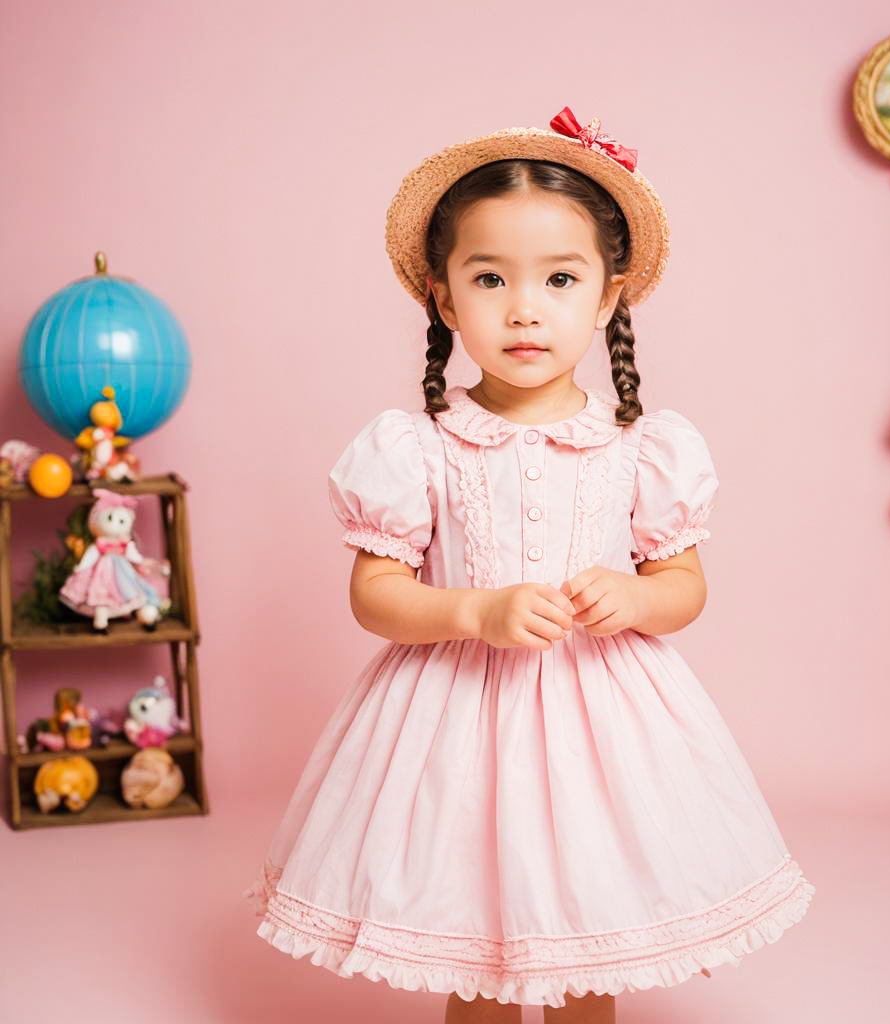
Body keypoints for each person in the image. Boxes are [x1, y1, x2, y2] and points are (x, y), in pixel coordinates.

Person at [243, 105, 815, 1023]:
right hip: (457, 724)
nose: (524, 308)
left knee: (586, 937)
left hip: (604, 725)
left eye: (558, 278)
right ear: (442, 297)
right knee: (481, 940)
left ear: (607, 296)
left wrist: (637, 595)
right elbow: (376, 595)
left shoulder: (642, 444)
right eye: (489, 278)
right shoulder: (417, 446)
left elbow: (686, 588)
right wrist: (474, 612)